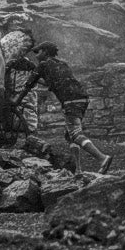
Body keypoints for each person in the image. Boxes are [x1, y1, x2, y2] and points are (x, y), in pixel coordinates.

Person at [22, 42, 112, 174]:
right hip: (82, 98)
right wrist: (38, 76)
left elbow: (28, 85)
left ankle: (102, 158)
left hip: (70, 101)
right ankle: (78, 170)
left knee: (75, 133)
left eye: (38, 52)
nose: (36, 55)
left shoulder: (43, 65)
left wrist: (16, 100)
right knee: (70, 135)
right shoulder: (62, 64)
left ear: (46, 52)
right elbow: (51, 82)